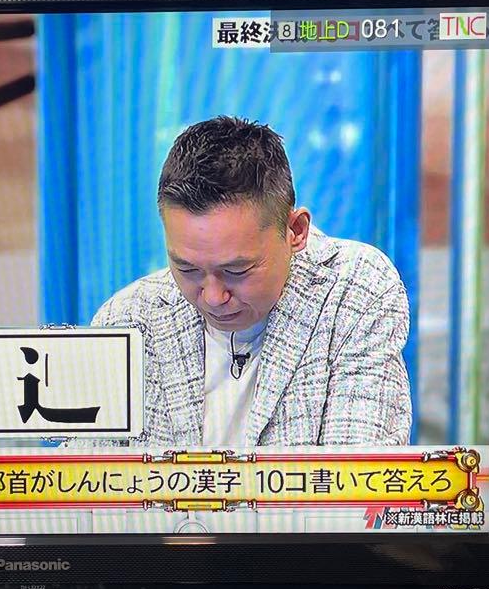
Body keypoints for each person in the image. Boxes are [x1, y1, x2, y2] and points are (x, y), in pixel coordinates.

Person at [92, 116, 412, 448]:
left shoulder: (354, 289)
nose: (213, 297)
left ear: (295, 231)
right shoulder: (128, 319)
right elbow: (86, 472)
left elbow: (355, 470)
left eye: (236, 271)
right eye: (187, 269)